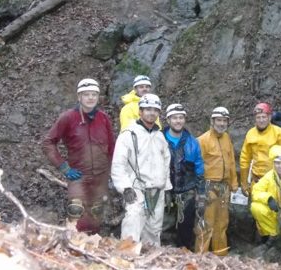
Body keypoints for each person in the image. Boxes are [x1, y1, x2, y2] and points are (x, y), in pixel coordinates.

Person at [43, 78, 115, 233]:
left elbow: (112, 147)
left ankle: (93, 248)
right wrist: (64, 167)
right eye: (86, 94)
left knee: (96, 214)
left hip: (101, 177)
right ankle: (73, 246)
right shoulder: (68, 117)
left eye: (94, 94)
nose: (90, 98)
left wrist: (112, 172)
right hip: (78, 175)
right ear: (79, 97)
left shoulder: (103, 118)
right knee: (76, 210)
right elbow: (48, 142)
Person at [111, 93, 172, 246]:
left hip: (157, 190)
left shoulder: (160, 137)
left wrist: (167, 188)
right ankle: (126, 259)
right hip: (136, 188)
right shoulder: (128, 134)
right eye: (147, 109)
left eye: (155, 110)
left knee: (154, 230)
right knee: (133, 222)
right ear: (140, 111)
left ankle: (150, 262)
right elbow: (118, 163)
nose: (151, 113)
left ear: (159, 113)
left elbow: (166, 163)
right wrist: (125, 187)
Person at [195, 107, 239, 256]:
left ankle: (221, 256)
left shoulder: (227, 138)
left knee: (222, 224)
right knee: (205, 224)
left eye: (224, 120)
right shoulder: (202, 140)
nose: (221, 123)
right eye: (218, 120)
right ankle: (200, 257)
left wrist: (234, 183)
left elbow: (232, 161)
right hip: (208, 186)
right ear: (212, 121)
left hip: (224, 187)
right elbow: (196, 165)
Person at [162, 103, 205, 250]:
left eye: (181, 118)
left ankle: (184, 256)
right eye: (174, 118)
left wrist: (201, 192)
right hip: (163, 191)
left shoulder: (192, 142)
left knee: (186, 229)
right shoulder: (159, 139)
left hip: (186, 192)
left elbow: (199, 168)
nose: (178, 121)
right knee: (163, 228)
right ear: (168, 120)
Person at [240, 103, 281, 196]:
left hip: (274, 181)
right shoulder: (250, 134)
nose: (261, 120)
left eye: (264, 117)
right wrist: (244, 183)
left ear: (269, 117)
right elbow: (244, 159)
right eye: (258, 117)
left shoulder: (279, 133)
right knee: (256, 208)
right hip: (257, 181)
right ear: (255, 119)